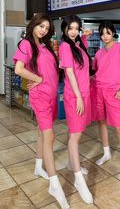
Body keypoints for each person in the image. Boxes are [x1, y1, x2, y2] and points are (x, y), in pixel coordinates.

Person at [14, 13, 69, 209]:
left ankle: (38, 166)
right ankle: (54, 184)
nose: (43, 30)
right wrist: (36, 79)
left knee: (41, 132)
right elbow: (19, 69)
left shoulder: (44, 46)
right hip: (40, 96)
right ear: (33, 25)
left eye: (46, 28)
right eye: (41, 26)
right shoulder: (26, 44)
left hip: (51, 96)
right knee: (49, 136)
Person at [91, 21, 120, 188]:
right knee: (101, 122)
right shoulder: (99, 53)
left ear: (113, 33)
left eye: (108, 33)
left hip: (113, 92)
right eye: (102, 33)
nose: (105, 36)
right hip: (98, 90)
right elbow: (97, 72)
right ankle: (106, 152)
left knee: (119, 127)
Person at [59, 15, 93, 204]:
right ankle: (78, 179)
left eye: (76, 28)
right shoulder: (65, 47)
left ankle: (73, 164)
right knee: (75, 135)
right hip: (75, 96)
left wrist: (85, 35)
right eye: (70, 28)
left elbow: (83, 59)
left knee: (76, 133)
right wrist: (79, 96)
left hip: (84, 94)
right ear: (64, 29)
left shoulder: (77, 45)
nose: (73, 32)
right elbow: (70, 72)